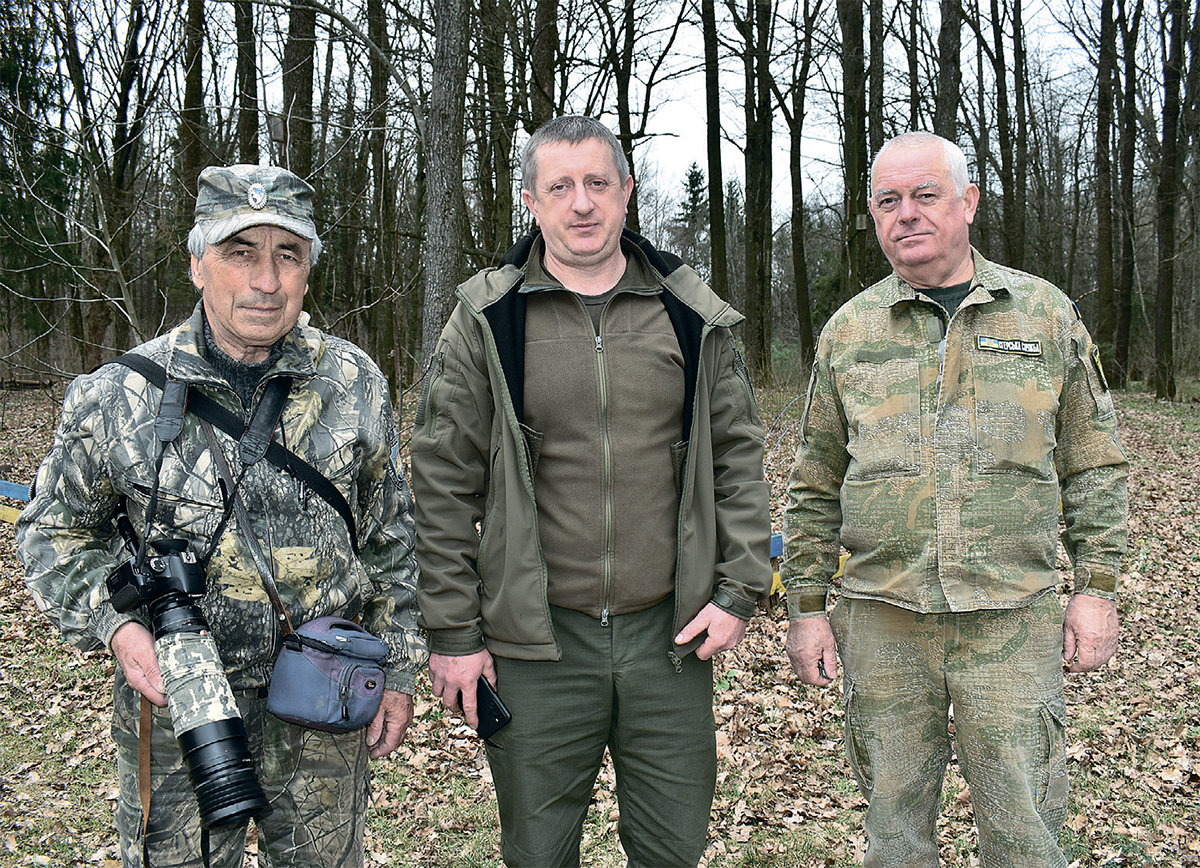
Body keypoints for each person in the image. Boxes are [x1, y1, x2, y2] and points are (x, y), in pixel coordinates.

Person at [17, 164, 427, 867]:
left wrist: (399, 669)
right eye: (240, 252)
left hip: (323, 701)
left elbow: (390, 537)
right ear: (197, 265)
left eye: (287, 254)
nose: (266, 280)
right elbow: (52, 531)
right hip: (177, 706)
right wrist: (119, 627)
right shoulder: (120, 394)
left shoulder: (353, 383)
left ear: (308, 272)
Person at [411, 115, 771, 868]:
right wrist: (453, 634)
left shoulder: (689, 314)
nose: (582, 203)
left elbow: (737, 458)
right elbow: (443, 483)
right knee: (538, 852)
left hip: (670, 640)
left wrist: (739, 590)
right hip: (538, 646)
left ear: (627, 193)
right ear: (531, 202)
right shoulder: (488, 319)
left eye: (598, 183)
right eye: (560, 187)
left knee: (672, 849)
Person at [782, 131, 1129, 867]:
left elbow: (1095, 464)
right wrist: (806, 608)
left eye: (925, 195)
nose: (906, 214)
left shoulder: (1042, 314)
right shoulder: (849, 331)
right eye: (888, 201)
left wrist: (1096, 590)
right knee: (894, 833)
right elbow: (813, 483)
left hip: (1011, 617)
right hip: (883, 619)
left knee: (1024, 831)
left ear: (967, 202)